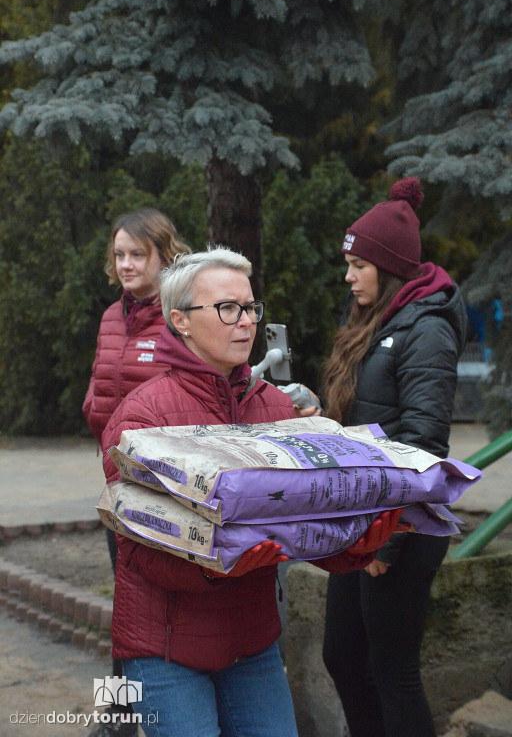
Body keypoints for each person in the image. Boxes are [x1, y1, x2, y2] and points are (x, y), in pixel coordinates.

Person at [100, 246, 403, 737]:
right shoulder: (141, 418)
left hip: (252, 644)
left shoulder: (277, 409)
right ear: (180, 320)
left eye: (251, 308)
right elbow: (135, 550)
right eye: (228, 309)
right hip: (164, 650)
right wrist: (222, 562)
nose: (246, 322)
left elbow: (303, 525)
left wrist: (352, 545)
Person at [321, 177, 467, 737]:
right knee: (342, 656)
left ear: (388, 267)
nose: (349, 275)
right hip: (361, 516)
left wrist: (391, 536)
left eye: (359, 266)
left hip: (400, 526)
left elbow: (426, 445)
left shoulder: (426, 328)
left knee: (392, 669)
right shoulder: (374, 321)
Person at [82, 207, 190, 737]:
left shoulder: (179, 317)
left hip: (165, 490)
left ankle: (159, 712)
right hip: (118, 486)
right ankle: (119, 714)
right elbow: (101, 388)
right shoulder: (110, 317)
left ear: (162, 255)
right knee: (124, 602)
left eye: (136, 254)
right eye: (119, 254)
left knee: (157, 608)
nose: (125, 264)